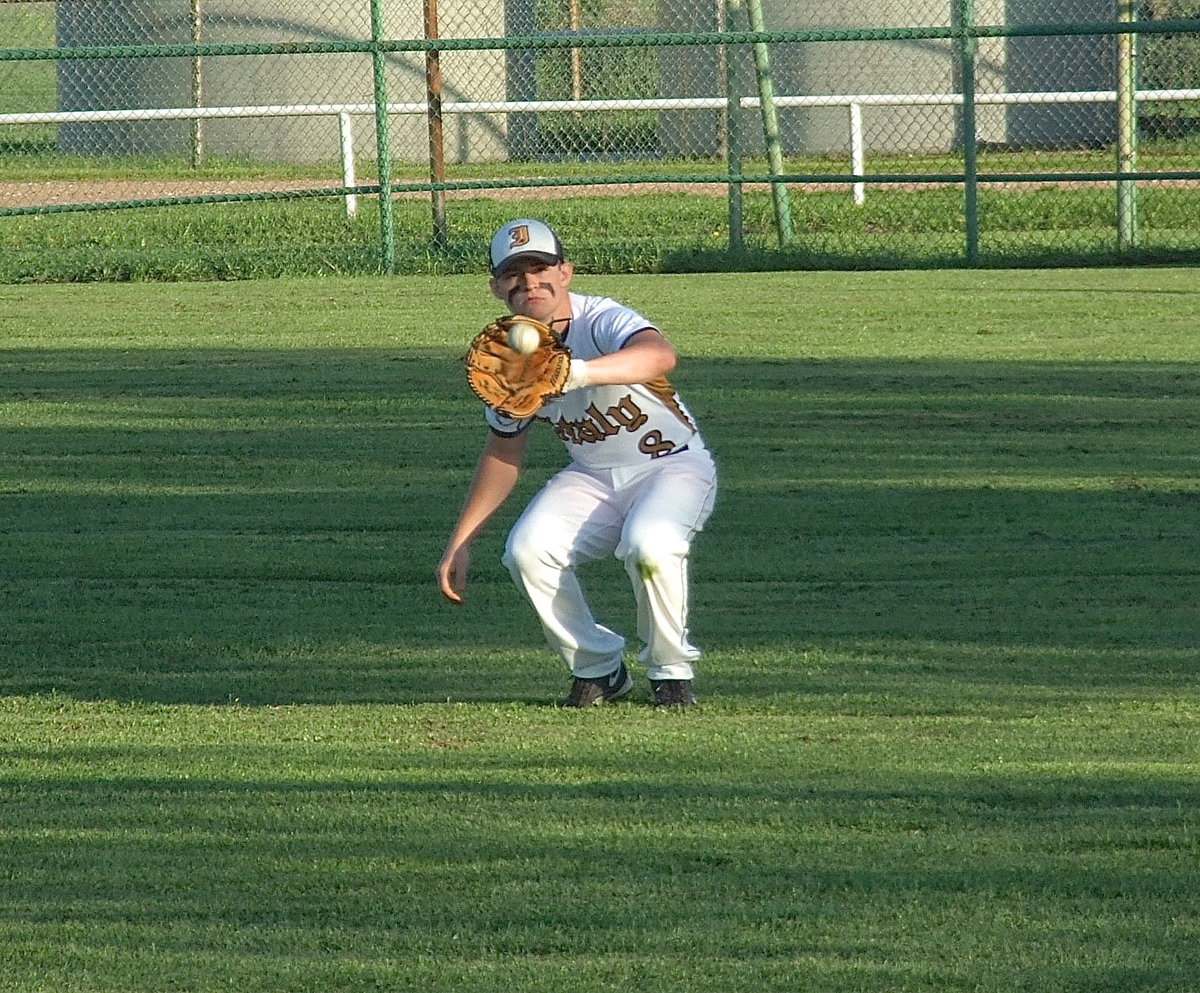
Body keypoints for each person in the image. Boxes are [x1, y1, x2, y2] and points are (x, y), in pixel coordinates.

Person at [436, 218, 718, 708]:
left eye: (541, 267)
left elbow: (658, 356)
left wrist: (575, 373)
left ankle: (671, 673)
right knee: (527, 551)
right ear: (496, 288)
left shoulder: (601, 319)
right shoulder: (504, 362)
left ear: (565, 272)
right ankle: (599, 669)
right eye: (514, 273)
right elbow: (503, 453)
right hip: (592, 475)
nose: (529, 282)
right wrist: (460, 542)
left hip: (673, 466)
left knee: (650, 545)